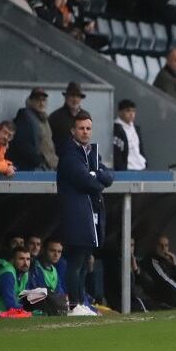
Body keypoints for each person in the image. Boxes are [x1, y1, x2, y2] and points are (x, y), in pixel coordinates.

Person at [56, 112, 114, 306]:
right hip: (76, 215)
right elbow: (89, 183)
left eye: (88, 128)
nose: (85, 132)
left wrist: (96, 174)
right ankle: (75, 304)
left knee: (84, 262)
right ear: (73, 130)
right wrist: (96, 178)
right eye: (81, 128)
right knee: (76, 261)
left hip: (90, 215)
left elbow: (109, 177)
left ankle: (81, 303)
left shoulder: (91, 153)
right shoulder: (69, 154)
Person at [7, 87, 58, 171]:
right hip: (34, 167)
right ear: (31, 101)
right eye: (38, 100)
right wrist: (38, 160)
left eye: (43, 100)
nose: (41, 103)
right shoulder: (25, 116)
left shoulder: (44, 118)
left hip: (48, 165)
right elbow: (22, 143)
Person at [139, 235, 176, 309]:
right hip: (163, 298)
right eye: (161, 245)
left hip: (175, 294)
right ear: (155, 246)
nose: (164, 249)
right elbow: (167, 283)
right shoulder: (152, 262)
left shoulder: (169, 260)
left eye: (166, 245)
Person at [0, 246, 32, 316]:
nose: (25, 263)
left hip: (5, 312)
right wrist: (30, 310)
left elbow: (25, 298)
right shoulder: (7, 274)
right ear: (12, 260)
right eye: (21, 259)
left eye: (28, 259)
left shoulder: (24, 273)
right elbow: (10, 304)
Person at [49, 82, 89, 154]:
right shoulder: (55, 117)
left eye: (78, 96)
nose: (75, 99)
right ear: (66, 97)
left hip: (81, 160)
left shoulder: (86, 116)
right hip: (61, 160)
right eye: (72, 96)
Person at [113, 99, 147, 171]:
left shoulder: (136, 129)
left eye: (133, 111)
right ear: (120, 112)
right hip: (128, 168)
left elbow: (140, 149)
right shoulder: (117, 129)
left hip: (141, 166)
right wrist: (121, 169)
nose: (131, 114)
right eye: (128, 111)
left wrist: (145, 162)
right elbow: (117, 153)